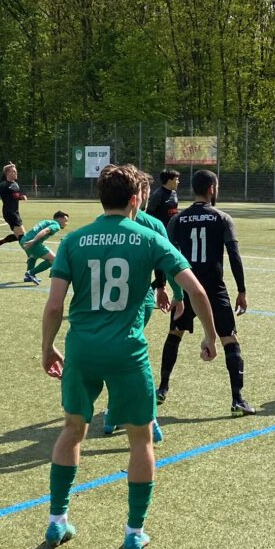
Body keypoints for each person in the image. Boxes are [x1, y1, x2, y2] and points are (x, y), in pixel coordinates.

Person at [40, 164, 218, 549]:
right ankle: (134, 531)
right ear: (136, 199)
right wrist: (209, 335)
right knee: (141, 439)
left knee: (72, 429)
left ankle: (57, 521)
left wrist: (47, 347)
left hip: (82, 349)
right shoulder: (149, 237)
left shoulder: (73, 240)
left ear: (101, 198)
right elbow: (197, 291)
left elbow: (54, 306)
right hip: (127, 351)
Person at [157, 169, 256, 415]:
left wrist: (162, 285)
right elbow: (234, 256)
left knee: (174, 335)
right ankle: (237, 400)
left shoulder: (178, 219)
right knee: (229, 339)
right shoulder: (222, 218)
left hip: (187, 285)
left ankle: (162, 388)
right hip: (214, 287)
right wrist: (242, 290)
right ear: (212, 189)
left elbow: (165, 255)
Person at [102, 169, 185, 442]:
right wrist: (177, 295)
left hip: (104, 302)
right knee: (134, 358)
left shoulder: (99, 226)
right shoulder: (153, 225)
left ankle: (113, 413)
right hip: (139, 301)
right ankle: (146, 417)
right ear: (140, 195)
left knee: (115, 357)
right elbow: (173, 266)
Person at [19, 211, 69, 285]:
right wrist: (34, 240)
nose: (66, 223)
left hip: (24, 240)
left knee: (33, 256)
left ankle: (28, 277)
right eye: (65, 220)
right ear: (60, 218)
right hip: (32, 242)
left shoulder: (46, 221)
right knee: (54, 259)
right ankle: (30, 273)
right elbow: (46, 230)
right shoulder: (56, 225)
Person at [0, 163, 27, 254]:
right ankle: (30, 255)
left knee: (19, 236)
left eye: (15, 171)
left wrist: (21, 197)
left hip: (15, 212)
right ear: (8, 173)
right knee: (23, 237)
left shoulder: (15, 184)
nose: (15, 173)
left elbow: (14, 196)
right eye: (13, 171)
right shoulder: (4, 184)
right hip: (9, 213)